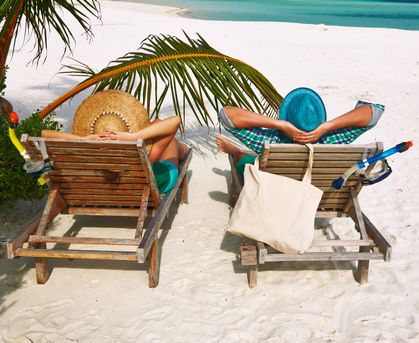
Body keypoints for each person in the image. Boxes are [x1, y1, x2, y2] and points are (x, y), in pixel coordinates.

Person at [216, 98, 385, 174]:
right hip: (319, 192)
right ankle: (238, 152)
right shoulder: (331, 140)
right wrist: (327, 127)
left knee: (247, 162)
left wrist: (278, 125)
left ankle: (236, 153)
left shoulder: (273, 141)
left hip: (278, 192)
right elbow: (374, 112)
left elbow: (227, 116)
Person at [42, 115, 189, 194]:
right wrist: (133, 137)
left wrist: (84, 140)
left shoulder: (88, 157)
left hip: (108, 189)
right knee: (169, 141)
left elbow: (44, 134)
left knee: (157, 124)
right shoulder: (136, 160)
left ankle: (181, 147)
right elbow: (176, 120)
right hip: (158, 180)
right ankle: (183, 149)